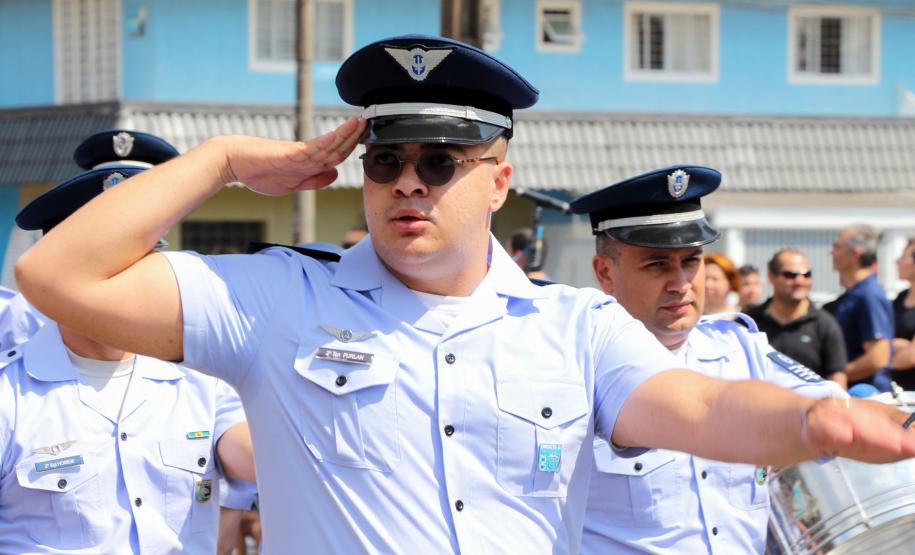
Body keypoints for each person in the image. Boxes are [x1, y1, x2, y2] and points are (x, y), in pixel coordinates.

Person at [13, 34, 915, 553]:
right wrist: (220, 162)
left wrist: (817, 421)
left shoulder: (572, 323)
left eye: (441, 161)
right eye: (386, 160)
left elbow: (702, 404)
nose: (409, 181)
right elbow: (56, 275)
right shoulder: (277, 299)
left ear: (497, 180)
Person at [0, 130, 256, 554]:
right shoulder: (10, 394)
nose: (123, 280)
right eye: (99, 266)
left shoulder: (203, 381)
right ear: (56, 277)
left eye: (139, 260)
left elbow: (261, 458)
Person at [572, 166, 846, 554]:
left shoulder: (741, 349)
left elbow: (831, 407)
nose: (681, 283)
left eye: (691, 261)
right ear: (605, 272)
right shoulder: (578, 366)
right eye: (657, 264)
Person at [746, 249, 848, 388]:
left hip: (811, 402)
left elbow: (837, 381)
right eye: (790, 275)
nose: (799, 281)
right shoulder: (748, 323)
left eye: (806, 274)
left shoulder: (825, 325)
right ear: (771, 277)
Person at [829, 224, 895, 392]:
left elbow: (878, 358)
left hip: (866, 394)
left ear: (856, 253)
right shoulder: (854, 294)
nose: (831, 252)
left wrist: (834, 375)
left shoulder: (869, 295)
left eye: (837, 246)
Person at [890, 237, 915, 391]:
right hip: (895, 389)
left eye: (904, 257)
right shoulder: (900, 298)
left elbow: (912, 357)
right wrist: (896, 345)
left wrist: (877, 363)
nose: (897, 262)